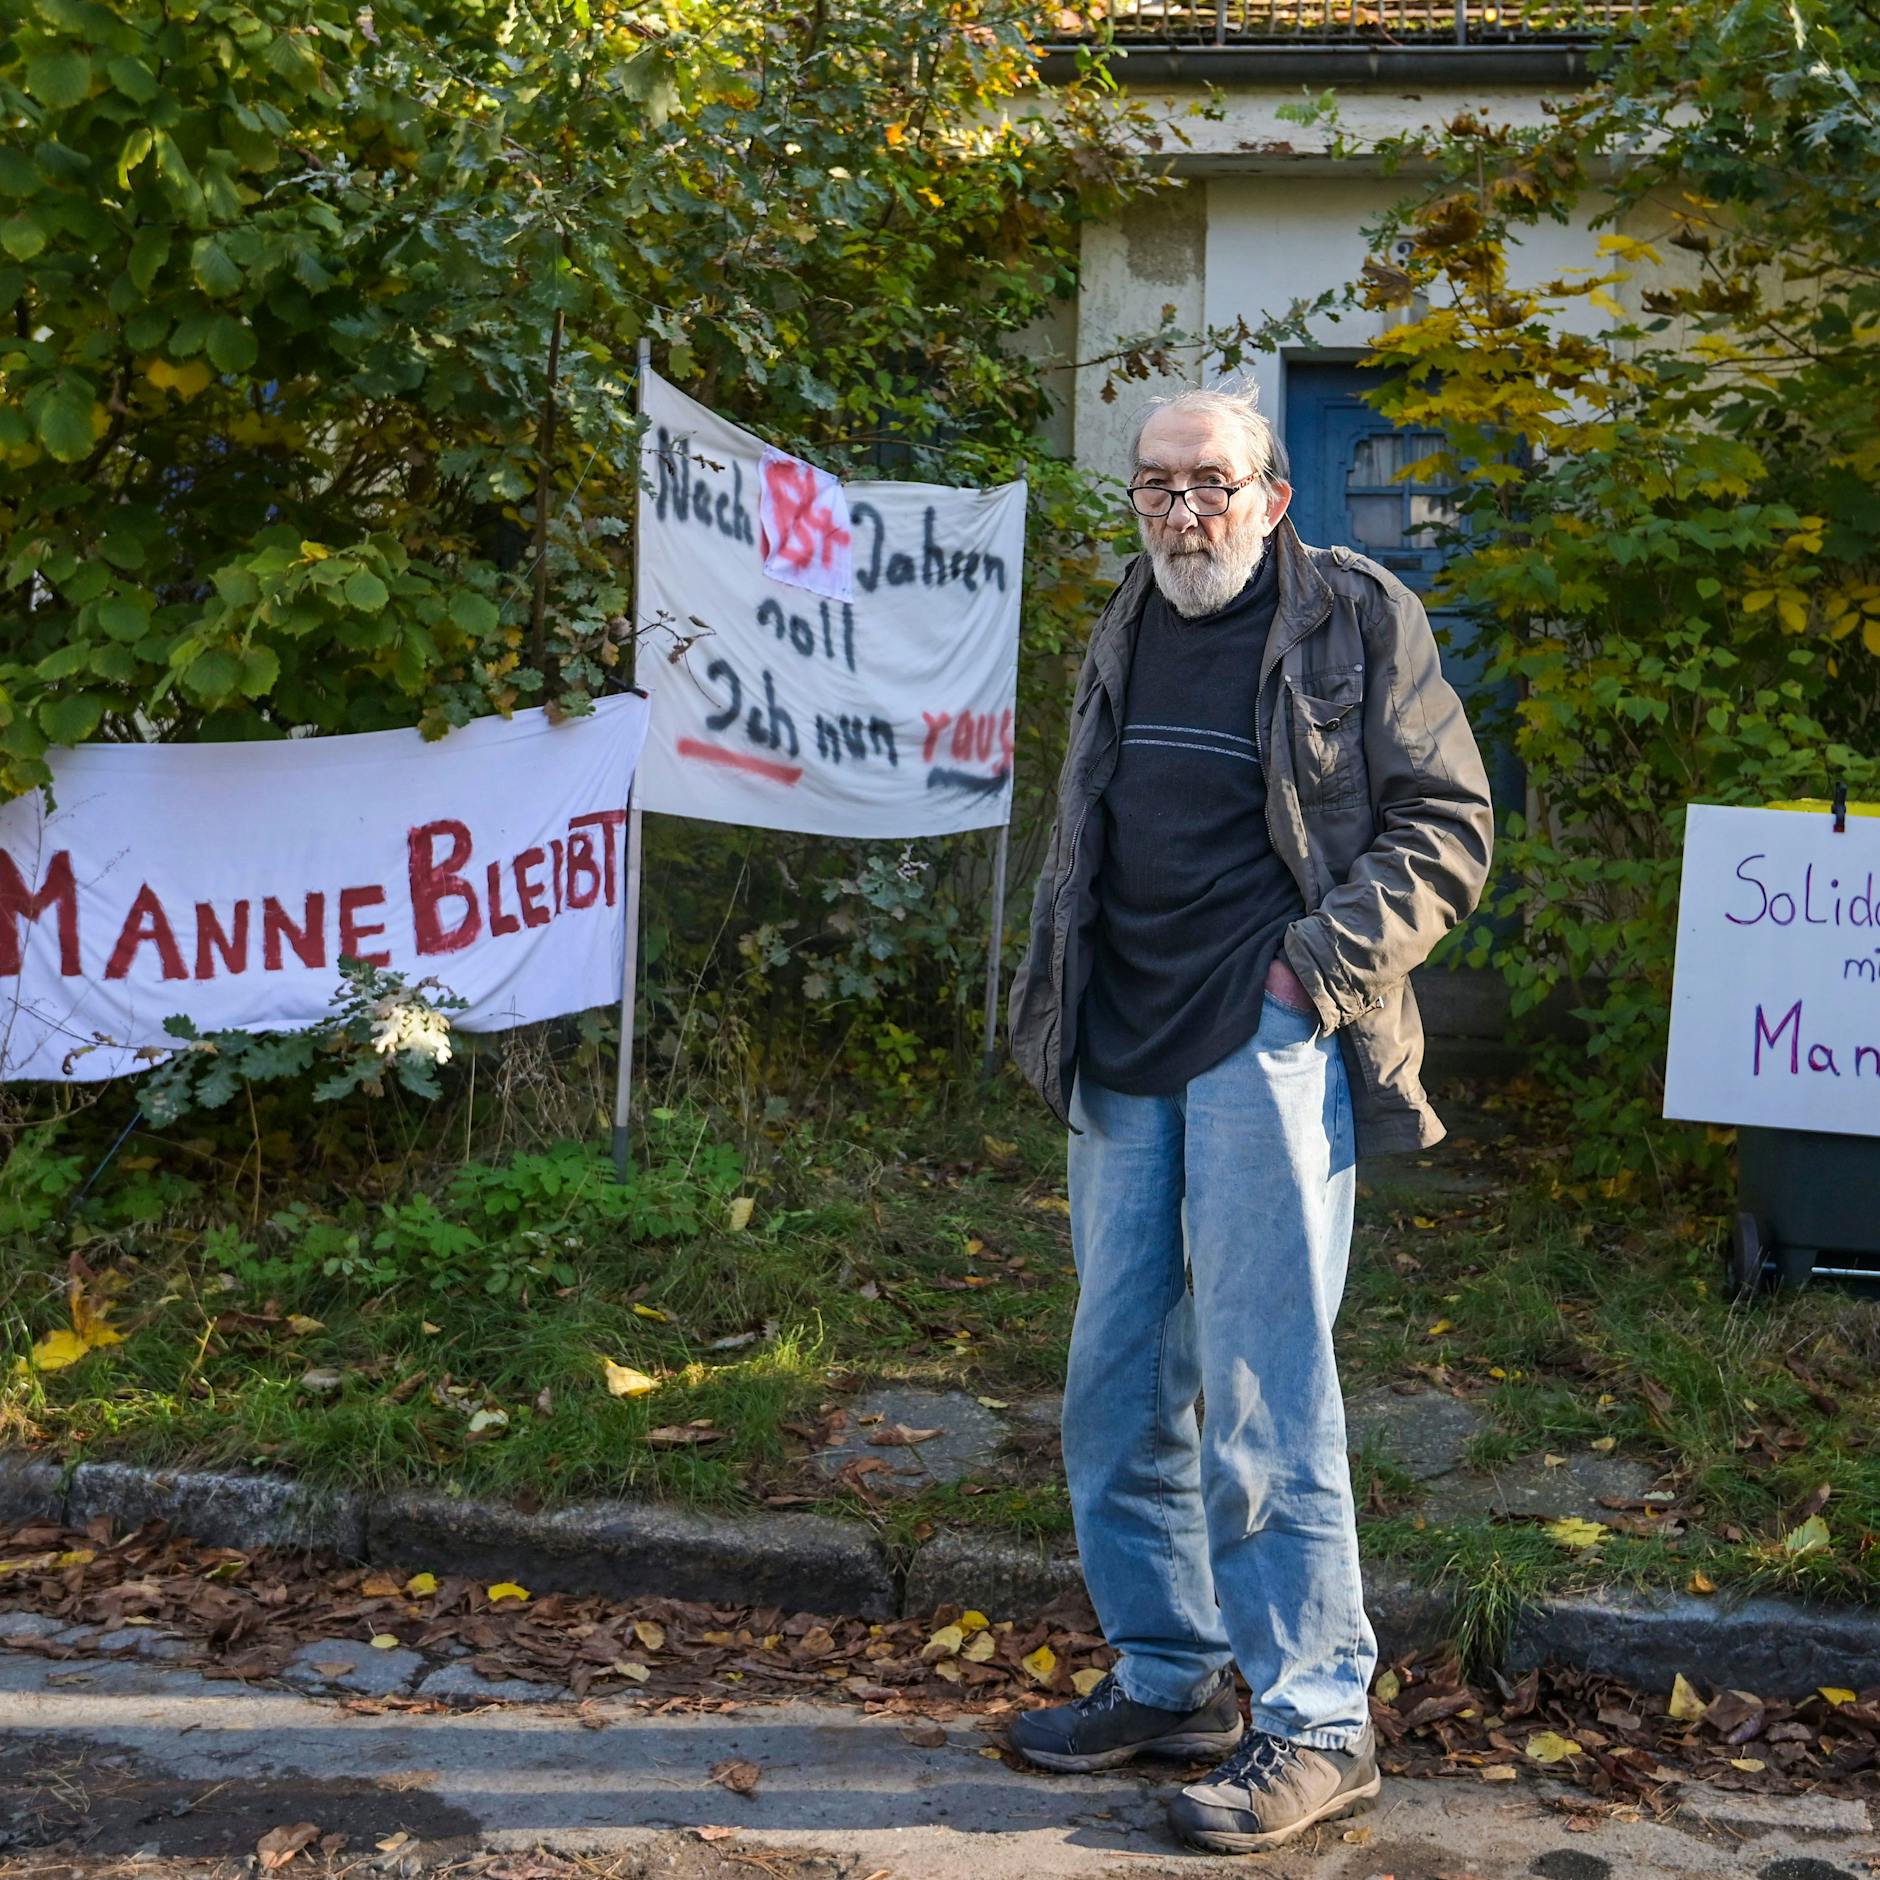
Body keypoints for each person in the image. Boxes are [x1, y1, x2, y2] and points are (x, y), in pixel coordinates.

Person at [1005, 383, 1494, 1854]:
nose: (1181, 512)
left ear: (1273, 494)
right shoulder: (1128, 613)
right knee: (1114, 1378)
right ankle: (1171, 1679)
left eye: (1211, 484)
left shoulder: (1351, 615)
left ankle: (1319, 1721)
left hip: (1258, 1035)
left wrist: (1309, 972)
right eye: (1157, 488)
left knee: (1262, 1387)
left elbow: (1449, 825)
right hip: (1119, 1039)